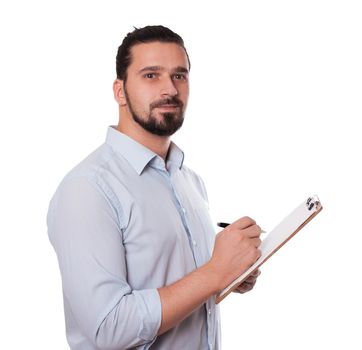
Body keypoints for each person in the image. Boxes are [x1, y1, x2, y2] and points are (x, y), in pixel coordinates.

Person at [47, 25, 262, 350]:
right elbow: (109, 328)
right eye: (151, 76)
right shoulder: (87, 189)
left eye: (179, 76)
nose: (170, 90)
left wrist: (231, 274)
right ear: (120, 91)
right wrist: (215, 273)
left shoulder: (189, 181)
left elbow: (189, 288)